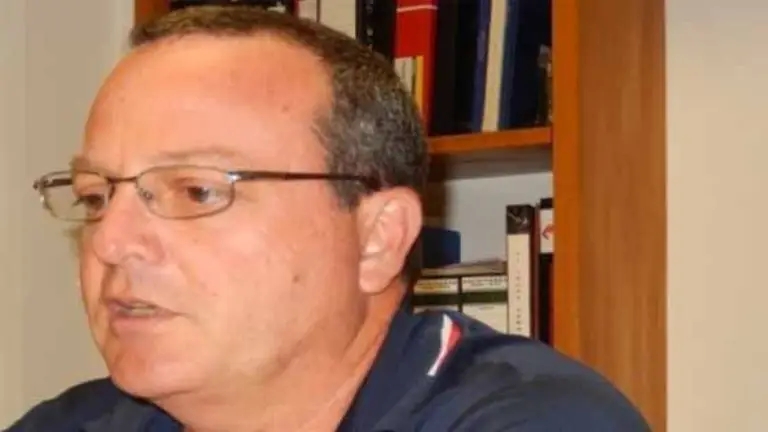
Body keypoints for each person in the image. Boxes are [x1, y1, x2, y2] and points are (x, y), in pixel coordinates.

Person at [9, 6, 650, 432]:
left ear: (378, 239)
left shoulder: (539, 420)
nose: (111, 241)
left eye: (197, 192)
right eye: (95, 198)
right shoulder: (76, 424)